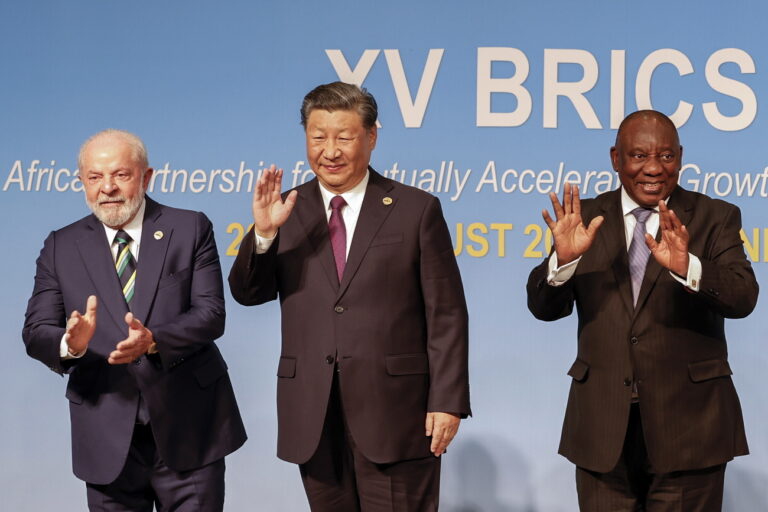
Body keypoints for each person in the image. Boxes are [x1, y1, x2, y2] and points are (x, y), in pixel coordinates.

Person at [229, 81, 470, 511]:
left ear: (372, 136)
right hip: (314, 415)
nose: (330, 150)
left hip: (397, 414)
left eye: (344, 137)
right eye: (318, 137)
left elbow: (446, 314)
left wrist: (448, 401)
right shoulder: (287, 208)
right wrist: (264, 235)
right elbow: (248, 294)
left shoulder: (416, 209)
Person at [526, 110, 758, 511]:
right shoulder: (585, 220)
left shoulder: (715, 217)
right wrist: (563, 263)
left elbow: (743, 298)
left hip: (690, 429)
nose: (653, 168)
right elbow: (544, 308)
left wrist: (689, 267)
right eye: (638, 156)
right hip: (602, 430)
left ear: (681, 157)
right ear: (616, 158)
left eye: (666, 157)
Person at [23, 129, 246, 511]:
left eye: (120, 175)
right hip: (105, 430)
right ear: (82, 182)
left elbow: (211, 315)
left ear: (146, 177)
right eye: (95, 178)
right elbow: (36, 330)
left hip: (189, 425)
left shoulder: (190, 227)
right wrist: (70, 344)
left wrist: (154, 339)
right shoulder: (60, 246)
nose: (107, 187)